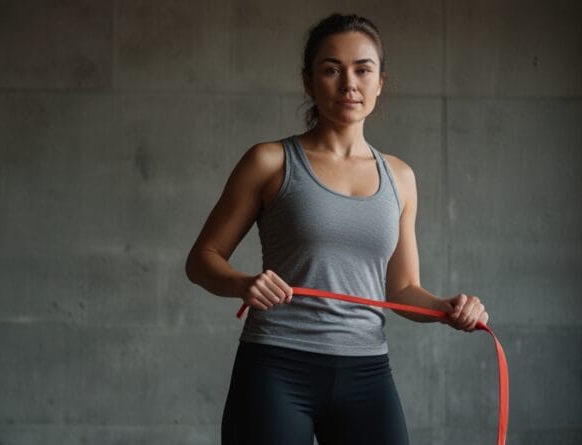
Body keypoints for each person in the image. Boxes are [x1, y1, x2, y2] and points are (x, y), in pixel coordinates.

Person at [185, 13, 489, 445]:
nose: (349, 84)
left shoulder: (401, 178)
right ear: (308, 81)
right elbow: (201, 260)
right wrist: (243, 284)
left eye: (363, 70)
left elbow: (402, 289)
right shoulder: (269, 162)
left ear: (380, 82)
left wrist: (446, 308)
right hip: (276, 367)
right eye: (331, 69)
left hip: (367, 372)